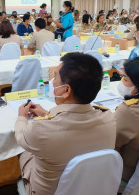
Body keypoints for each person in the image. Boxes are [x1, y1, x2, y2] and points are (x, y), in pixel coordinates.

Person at [15, 53, 116, 195]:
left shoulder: (41, 129)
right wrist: (46, 113)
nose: (51, 82)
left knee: (24, 152)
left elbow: (20, 137)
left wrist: (21, 117)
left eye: (55, 77)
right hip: (91, 189)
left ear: (66, 90)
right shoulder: (109, 119)